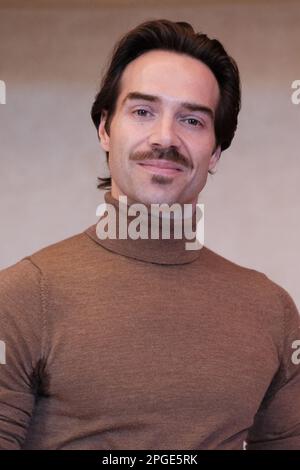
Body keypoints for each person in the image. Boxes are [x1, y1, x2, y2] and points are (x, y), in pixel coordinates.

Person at [0, 18, 299, 450]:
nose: (165, 137)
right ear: (105, 129)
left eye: (193, 120)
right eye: (143, 111)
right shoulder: (24, 295)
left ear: (215, 152)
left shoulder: (273, 311)